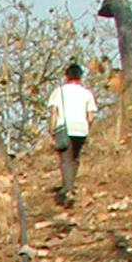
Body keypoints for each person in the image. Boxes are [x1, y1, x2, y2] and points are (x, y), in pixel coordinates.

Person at [50, 61, 97, 207]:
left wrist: (51, 130)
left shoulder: (59, 92)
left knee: (65, 159)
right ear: (81, 77)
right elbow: (90, 116)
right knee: (75, 159)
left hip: (65, 128)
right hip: (81, 129)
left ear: (66, 76)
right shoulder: (87, 93)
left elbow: (54, 112)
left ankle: (68, 190)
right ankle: (71, 185)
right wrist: (87, 127)